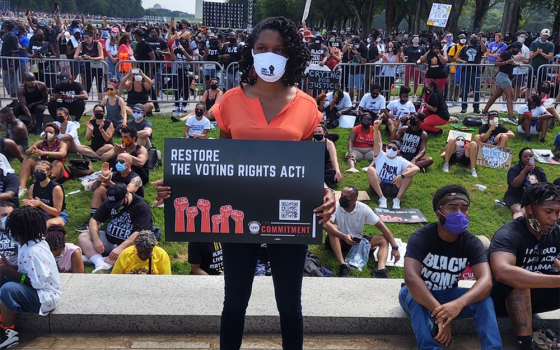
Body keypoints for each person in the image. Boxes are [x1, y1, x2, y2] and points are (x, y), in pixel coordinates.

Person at [196, 17, 334, 350]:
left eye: (278, 49)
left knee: (289, 306)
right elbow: (222, 159)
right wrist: (182, 185)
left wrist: (325, 190)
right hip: (239, 212)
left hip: (289, 215)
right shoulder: (229, 101)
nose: (269, 55)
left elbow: (305, 165)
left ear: (292, 55)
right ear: (251, 51)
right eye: (262, 48)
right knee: (234, 303)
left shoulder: (307, 106)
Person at [399, 185, 502, 350]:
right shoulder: (421, 237)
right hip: (418, 293)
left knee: (484, 300)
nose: (460, 214)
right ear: (438, 213)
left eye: (464, 208)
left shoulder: (471, 242)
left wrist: (459, 304)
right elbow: (411, 278)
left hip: (449, 295)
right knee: (414, 298)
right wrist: (442, 316)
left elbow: (486, 281)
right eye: (452, 208)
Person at [489, 183, 560, 350]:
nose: (554, 218)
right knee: (520, 281)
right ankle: (525, 344)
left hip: (535, 297)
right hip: (501, 299)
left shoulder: (555, 232)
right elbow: (502, 272)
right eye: (548, 212)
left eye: (558, 213)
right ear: (530, 210)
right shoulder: (509, 234)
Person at [0, 206, 61, 349]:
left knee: (8, 289)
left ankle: (8, 332)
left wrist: (10, 272)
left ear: (19, 232)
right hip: (35, 288)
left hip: (45, 297)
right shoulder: (29, 244)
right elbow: (24, 270)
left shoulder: (33, 252)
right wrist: (9, 268)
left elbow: (36, 283)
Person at [323, 185, 400, 278]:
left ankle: (381, 270)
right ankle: (343, 266)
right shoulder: (335, 206)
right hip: (338, 239)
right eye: (342, 195)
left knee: (383, 239)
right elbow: (325, 224)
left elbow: (382, 227)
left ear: (355, 199)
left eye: (346, 197)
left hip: (356, 241)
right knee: (333, 229)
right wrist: (343, 236)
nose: (342, 198)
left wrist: (394, 247)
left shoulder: (363, 209)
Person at [78, 184, 153, 274]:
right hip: (107, 240)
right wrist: (96, 239)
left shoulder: (141, 206)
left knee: (134, 256)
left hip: (128, 245)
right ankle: (100, 263)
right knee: (83, 236)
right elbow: (94, 220)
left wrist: (121, 247)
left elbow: (139, 232)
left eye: (117, 204)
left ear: (126, 196)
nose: (114, 206)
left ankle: (94, 258)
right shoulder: (111, 201)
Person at [367, 119, 420, 209]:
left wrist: (402, 176)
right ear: (386, 148)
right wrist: (375, 128)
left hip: (394, 185)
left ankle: (397, 199)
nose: (391, 150)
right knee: (370, 169)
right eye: (389, 147)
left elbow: (416, 168)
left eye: (394, 149)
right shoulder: (380, 155)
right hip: (380, 184)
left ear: (398, 151)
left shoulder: (400, 160)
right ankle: (381, 198)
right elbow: (377, 142)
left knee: (409, 172)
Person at [18, 123, 68, 196]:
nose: (48, 134)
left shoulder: (61, 144)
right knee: (27, 160)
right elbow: (27, 153)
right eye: (46, 132)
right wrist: (32, 149)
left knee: (57, 162)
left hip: (56, 170)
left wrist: (45, 153)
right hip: (41, 168)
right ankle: (22, 187)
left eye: (51, 132)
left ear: (56, 134)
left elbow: (62, 154)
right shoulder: (40, 143)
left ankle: (46, 185)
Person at [480, 42, 521, 123]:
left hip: (504, 76)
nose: (518, 51)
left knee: (496, 95)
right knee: (510, 95)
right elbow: (496, 63)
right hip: (503, 76)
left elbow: (508, 65)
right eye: (517, 49)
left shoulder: (510, 55)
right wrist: (506, 62)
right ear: (513, 47)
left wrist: (514, 65)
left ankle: (485, 110)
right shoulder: (505, 54)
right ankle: (511, 116)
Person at [503, 148, 547, 220]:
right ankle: (517, 227)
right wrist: (524, 171)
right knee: (520, 210)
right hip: (516, 197)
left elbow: (545, 186)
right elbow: (515, 185)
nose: (528, 158)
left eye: (530, 156)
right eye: (525, 156)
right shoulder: (514, 169)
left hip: (533, 198)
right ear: (521, 158)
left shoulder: (538, 170)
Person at [24, 160, 68, 224]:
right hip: (39, 213)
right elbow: (32, 208)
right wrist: (30, 205)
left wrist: (41, 204)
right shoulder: (32, 187)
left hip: (57, 215)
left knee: (48, 224)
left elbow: (57, 212)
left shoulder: (56, 188)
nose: (38, 173)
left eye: (42, 171)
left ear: (49, 172)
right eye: (36, 171)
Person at [457, 34, 487, 114]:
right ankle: (464, 107)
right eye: (472, 38)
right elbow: (458, 58)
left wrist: (480, 40)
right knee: (464, 89)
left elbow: (484, 50)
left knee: (476, 90)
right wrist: (463, 62)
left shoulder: (478, 47)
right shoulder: (465, 48)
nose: (473, 39)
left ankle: (476, 107)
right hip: (465, 71)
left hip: (476, 71)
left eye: (475, 38)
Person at [313, 123, 341, 188]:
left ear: (324, 132)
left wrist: (337, 171)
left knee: (334, 176)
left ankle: (319, 181)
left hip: (326, 168)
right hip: (314, 168)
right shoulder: (311, 142)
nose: (317, 134)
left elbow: (334, 159)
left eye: (320, 132)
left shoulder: (329, 143)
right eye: (315, 132)